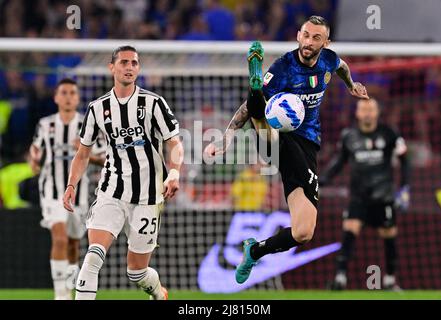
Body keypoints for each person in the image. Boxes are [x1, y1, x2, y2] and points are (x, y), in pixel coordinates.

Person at [204, 15, 369, 284]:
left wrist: (351, 86)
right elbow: (244, 110)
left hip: (306, 148)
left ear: (326, 42)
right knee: (261, 116)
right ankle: (256, 88)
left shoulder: (328, 59)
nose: (309, 41)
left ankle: (254, 250)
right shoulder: (283, 68)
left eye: (316, 38)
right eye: (305, 35)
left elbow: (342, 67)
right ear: (298, 36)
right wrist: (226, 137)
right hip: (276, 137)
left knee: (304, 231)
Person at [63, 46, 184, 300]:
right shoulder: (97, 109)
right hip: (112, 191)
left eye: (134, 63)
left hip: (148, 197)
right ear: (112, 67)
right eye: (124, 62)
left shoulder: (153, 103)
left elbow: (174, 142)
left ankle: (158, 293)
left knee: (136, 272)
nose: (129, 67)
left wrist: (174, 172)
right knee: (94, 254)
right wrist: (71, 185)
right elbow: (83, 153)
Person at [320, 98, 410, 291]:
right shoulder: (348, 136)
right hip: (359, 196)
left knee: (389, 236)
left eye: (371, 109)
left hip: (383, 195)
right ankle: (340, 278)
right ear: (357, 113)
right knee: (349, 231)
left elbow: (405, 161)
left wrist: (405, 188)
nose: (367, 113)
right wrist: (321, 181)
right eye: (364, 109)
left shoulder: (389, 133)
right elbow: (338, 162)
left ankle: (389, 280)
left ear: (377, 113)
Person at [29, 78, 106, 300]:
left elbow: (105, 158)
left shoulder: (87, 124)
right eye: (63, 92)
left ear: (78, 97)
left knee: (73, 244)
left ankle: (70, 288)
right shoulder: (45, 125)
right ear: (56, 97)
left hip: (79, 194)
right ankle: (60, 295)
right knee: (60, 238)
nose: (68, 97)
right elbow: (34, 152)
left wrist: (85, 154)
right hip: (52, 190)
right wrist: (33, 161)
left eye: (72, 93)